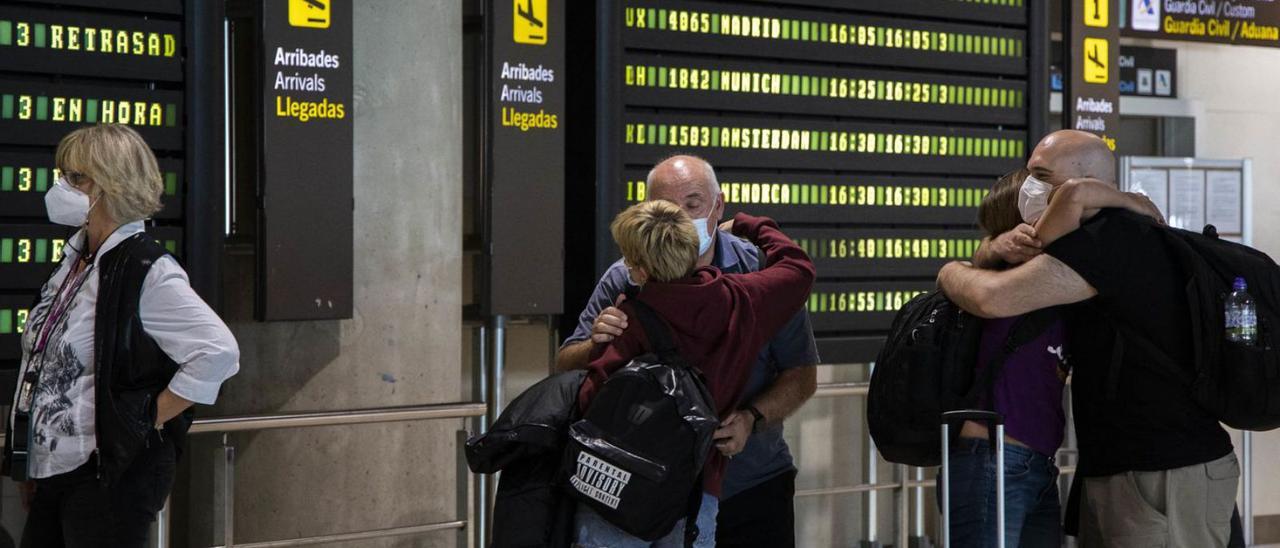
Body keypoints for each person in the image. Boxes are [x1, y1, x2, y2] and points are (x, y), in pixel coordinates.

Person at [939, 130, 1238, 547]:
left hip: (1162, 469)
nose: (1029, 186)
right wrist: (991, 248)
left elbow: (991, 298)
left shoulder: (1114, 241)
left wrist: (948, 271)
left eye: (1040, 175)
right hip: (1118, 468)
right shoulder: (1083, 242)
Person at [559, 155, 818, 547]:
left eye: (692, 204)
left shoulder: (752, 274)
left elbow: (802, 375)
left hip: (751, 485)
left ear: (719, 205)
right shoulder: (737, 297)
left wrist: (751, 418)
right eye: (666, 208)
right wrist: (595, 343)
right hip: (640, 488)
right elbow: (566, 363)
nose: (679, 219)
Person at [4, 125, 240, 548]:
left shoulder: (147, 269)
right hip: (59, 468)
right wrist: (35, 458)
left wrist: (143, 419)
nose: (61, 188)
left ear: (111, 185)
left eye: (76, 179)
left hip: (111, 474)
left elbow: (218, 351)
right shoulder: (75, 263)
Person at [944, 166, 1162, 548]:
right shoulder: (1012, 277)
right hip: (993, 460)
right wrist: (1133, 201)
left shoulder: (1045, 278)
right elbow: (1076, 194)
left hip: (1037, 464)